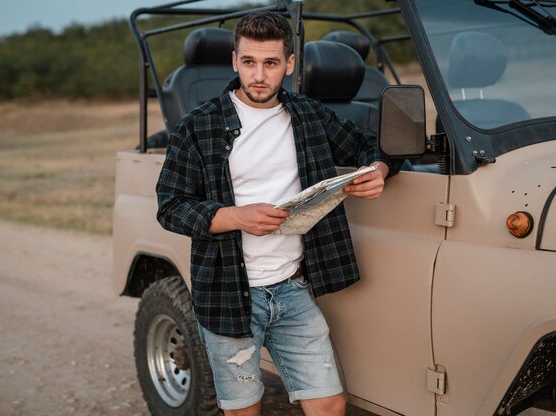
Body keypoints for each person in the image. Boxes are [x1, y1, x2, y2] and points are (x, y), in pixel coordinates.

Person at [156, 10, 401, 416]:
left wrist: (378, 171)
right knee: (244, 411)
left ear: (288, 65)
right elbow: (171, 208)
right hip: (228, 294)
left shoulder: (308, 115)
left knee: (330, 405)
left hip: (293, 289)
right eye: (249, 62)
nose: (258, 75)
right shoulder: (196, 127)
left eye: (270, 64)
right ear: (235, 62)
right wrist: (236, 217)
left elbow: (370, 145)